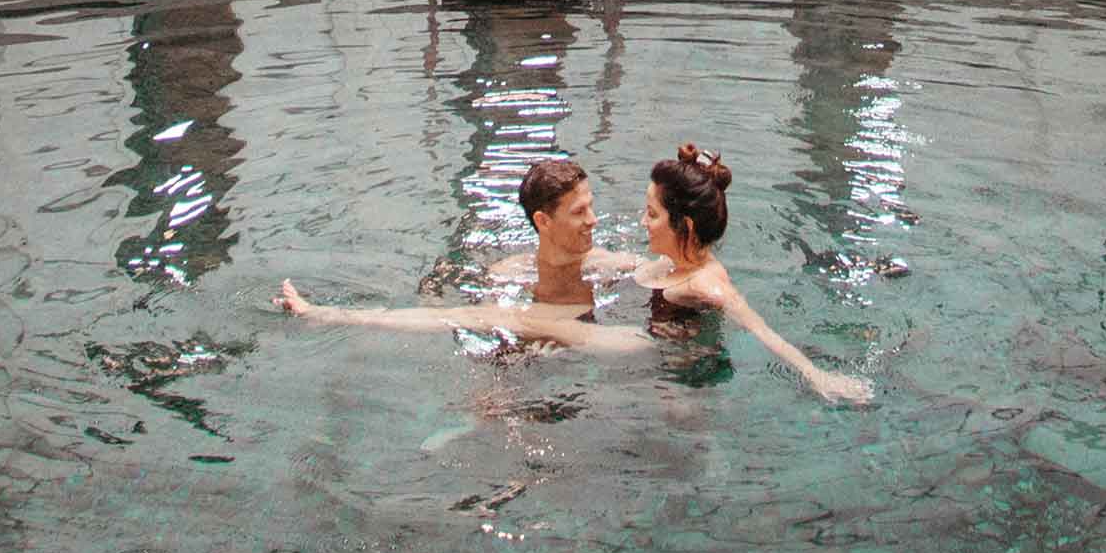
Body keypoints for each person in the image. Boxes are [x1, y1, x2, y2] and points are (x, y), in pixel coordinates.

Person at [277, 145, 874, 406]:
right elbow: (618, 271)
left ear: (683, 227)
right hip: (641, 345)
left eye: (649, 213)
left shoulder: (705, 281)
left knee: (499, 320)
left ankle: (330, 315)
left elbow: (759, 328)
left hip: (647, 352)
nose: (637, 222)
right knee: (508, 325)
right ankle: (499, 390)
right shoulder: (665, 262)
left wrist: (816, 375)